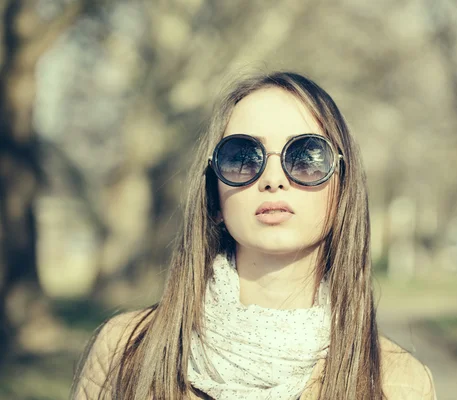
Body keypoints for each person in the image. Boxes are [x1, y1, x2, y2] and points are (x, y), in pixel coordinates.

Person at [71, 71, 437, 400]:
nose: (273, 179)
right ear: (214, 196)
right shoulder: (125, 351)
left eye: (306, 156)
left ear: (343, 189)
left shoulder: (399, 384)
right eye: (243, 156)